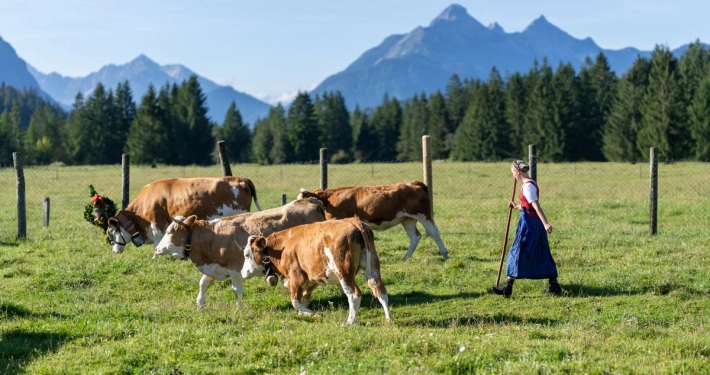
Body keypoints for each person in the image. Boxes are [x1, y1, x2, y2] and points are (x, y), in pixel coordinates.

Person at [490, 159, 561, 297]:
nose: (513, 176)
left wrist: (545, 223)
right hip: (530, 219)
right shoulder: (529, 183)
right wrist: (517, 206)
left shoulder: (528, 187)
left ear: (518, 172)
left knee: (517, 251)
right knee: (541, 251)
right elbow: (528, 206)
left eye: (513, 173)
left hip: (531, 224)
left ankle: (507, 287)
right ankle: (554, 284)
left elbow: (535, 206)